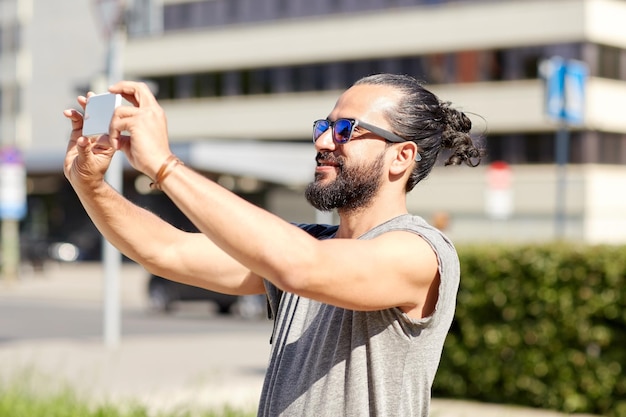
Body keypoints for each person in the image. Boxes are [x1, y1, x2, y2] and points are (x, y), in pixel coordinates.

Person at [63, 73, 483, 416]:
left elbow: (302, 267)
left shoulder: (420, 251)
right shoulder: (308, 243)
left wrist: (163, 163)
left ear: (401, 156)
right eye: (323, 127)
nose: (322, 143)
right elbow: (166, 251)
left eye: (345, 131)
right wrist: (89, 185)